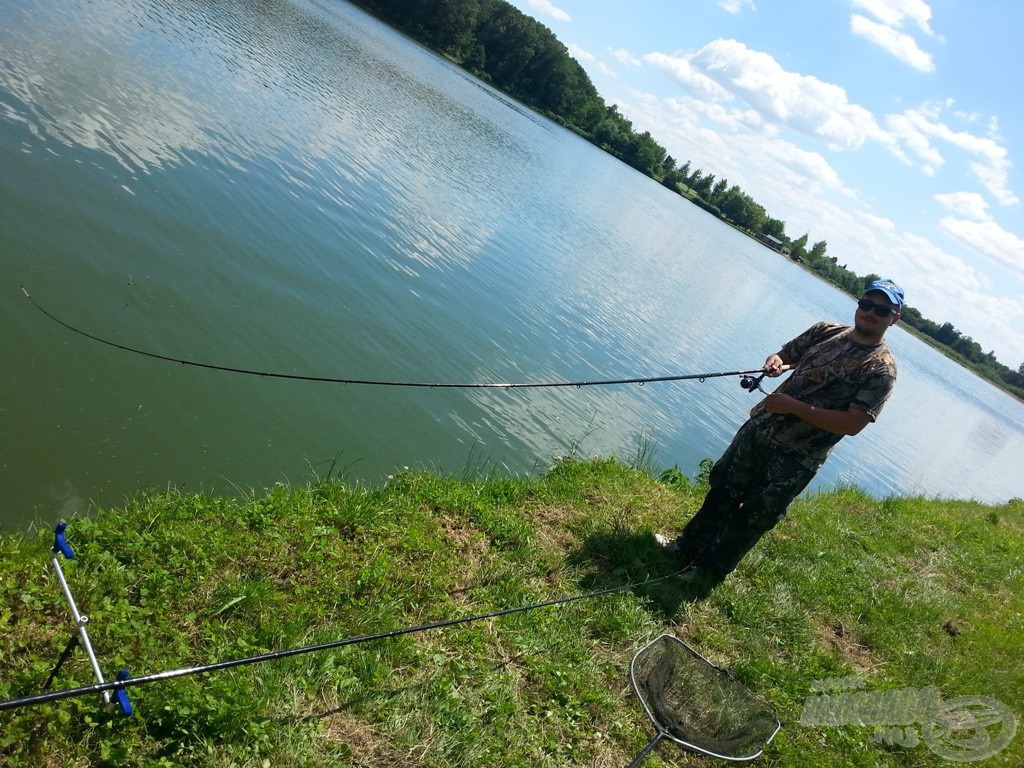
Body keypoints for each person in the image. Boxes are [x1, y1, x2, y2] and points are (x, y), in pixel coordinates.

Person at [658, 278, 904, 585]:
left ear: (894, 317)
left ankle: (707, 573)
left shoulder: (881, 369)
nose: (870, 313)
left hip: (798, 456)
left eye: (881, 310)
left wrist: (793, 407)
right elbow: (786, 354)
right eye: (866, 304)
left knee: (756, 516)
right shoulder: (826, 330)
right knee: (723, 489)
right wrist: (775, 362)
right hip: (760, 428)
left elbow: (852, 424)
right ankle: (685, 547)